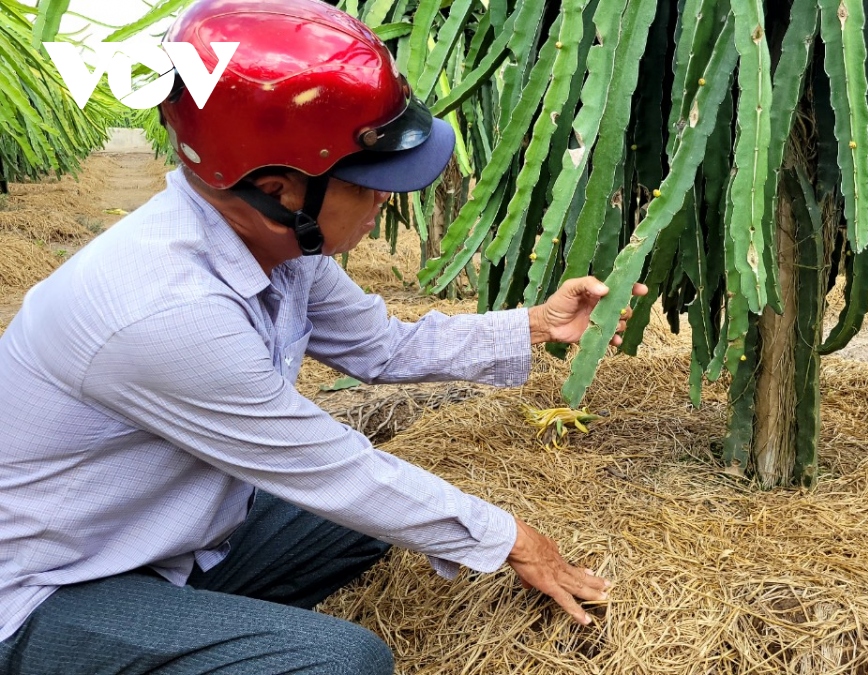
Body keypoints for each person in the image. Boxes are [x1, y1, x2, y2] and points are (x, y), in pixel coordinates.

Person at [0, 0, 647, 672]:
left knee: (362, 525)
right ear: (279, 190)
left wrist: (538, 324)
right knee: (343, 660)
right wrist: (512, 538)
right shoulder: (165, 313)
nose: (386, 200)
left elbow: (385, 347)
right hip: (46, 588)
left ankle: (196, 636)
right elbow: (332, 467)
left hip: (148, 542)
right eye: (368, 183)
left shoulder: (278, 250)